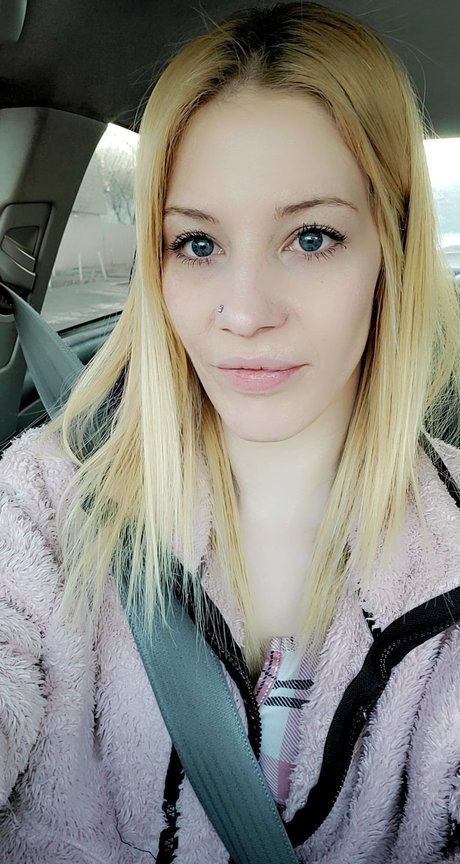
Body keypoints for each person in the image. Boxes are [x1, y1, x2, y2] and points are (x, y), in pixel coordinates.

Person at [1, 2, 460, 862]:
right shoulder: (45, 501)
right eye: (198, 244)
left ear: (391, 251)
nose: (243, 314)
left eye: (311, 237)